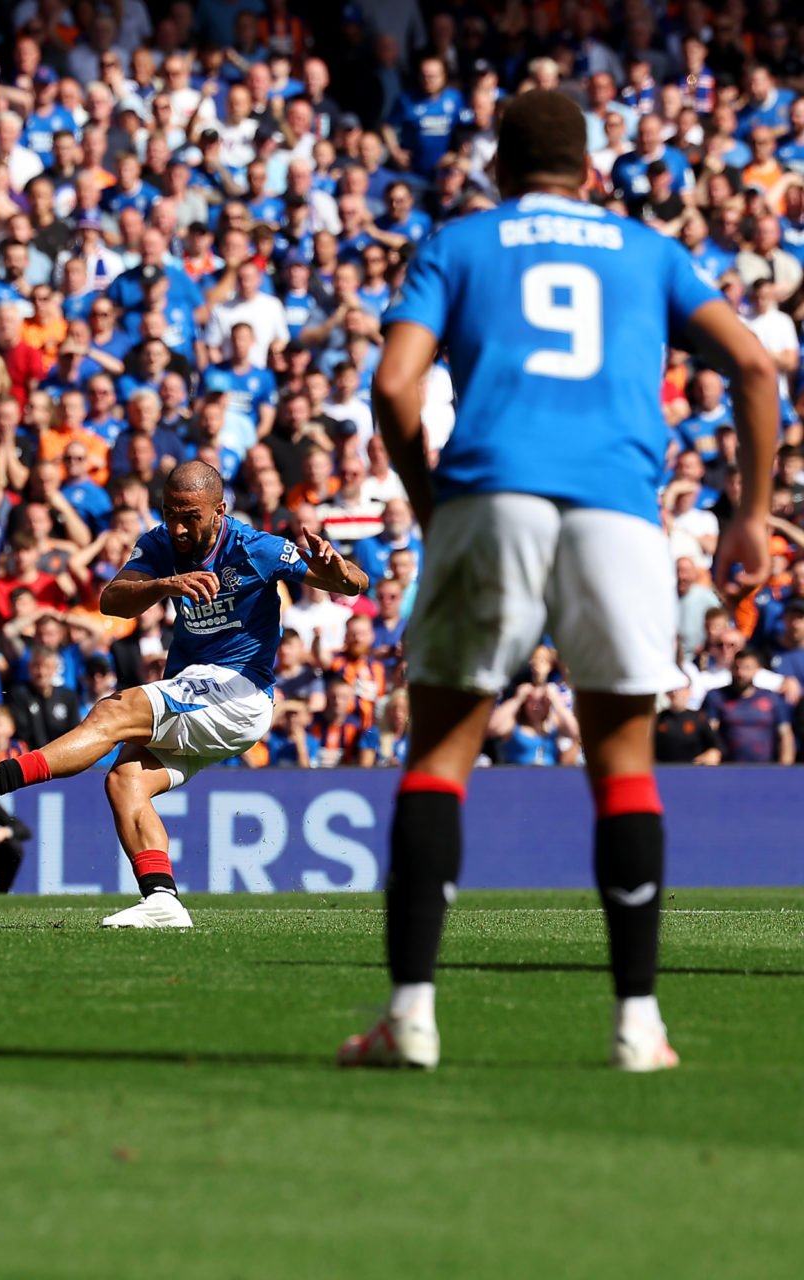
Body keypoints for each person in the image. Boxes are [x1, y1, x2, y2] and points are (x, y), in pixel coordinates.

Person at [344, 89, 778, 1074]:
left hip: (490, 493)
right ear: (591, 173)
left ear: (499, 171)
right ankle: (637, 1025)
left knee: (442, 752)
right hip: (619, 507)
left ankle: (409, 1015)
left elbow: (395, 385)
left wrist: (431, 496)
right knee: (623, 761)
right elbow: (754, 365)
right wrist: (749, 514)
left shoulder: (462, 242)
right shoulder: (646, 250)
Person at [0, 461, 366, 927]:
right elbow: (112, 599)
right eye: (170, 511)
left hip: (241, 691)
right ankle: (162, 900)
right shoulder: (159, 544)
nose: (178, 526)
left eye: (190, 515)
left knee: (114, 710)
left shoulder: (256, 548)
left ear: (220, 511)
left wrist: (338, 569)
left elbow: (354, 584)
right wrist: (163, 585)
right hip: (198, 694)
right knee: (124, 780)